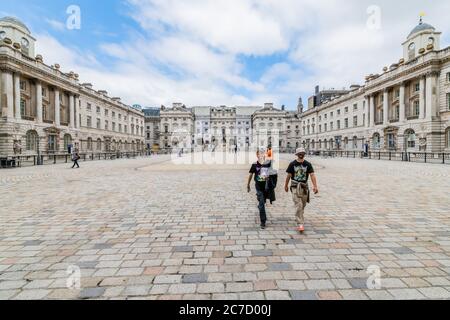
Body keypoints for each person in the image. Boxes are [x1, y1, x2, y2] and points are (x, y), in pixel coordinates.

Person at [284, 147, 319, 233]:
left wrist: (315, 186)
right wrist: (286, 185)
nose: (301, 154)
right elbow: (289, 175)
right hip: (295, 186)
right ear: (297, 154)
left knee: (303, 204)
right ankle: (300, 223)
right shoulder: (292, 164)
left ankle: (299, 216)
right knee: (298, 204)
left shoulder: (308, 164)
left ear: (304, 154)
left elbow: (312, 175)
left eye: (302, 153)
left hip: (304, 186)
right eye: (299, 153)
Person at [247, 148, 271, 229]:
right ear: (257, 155)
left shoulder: (268, 163)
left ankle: (261, 206)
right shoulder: (254, 165)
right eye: (259, 153)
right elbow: (250, 175)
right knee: (261, 203)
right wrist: (248, 184)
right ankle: (263, 221)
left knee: (262, 202)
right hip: (258, 187)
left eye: (262, 153)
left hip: (266, 187)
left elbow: (273, 175)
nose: (261, 155)